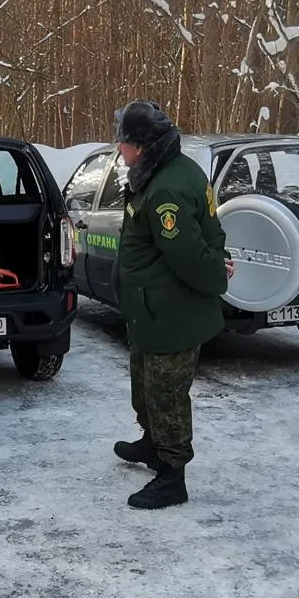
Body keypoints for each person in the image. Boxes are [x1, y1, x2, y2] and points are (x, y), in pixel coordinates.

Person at [108, 101, 232, 510]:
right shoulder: (164, 171)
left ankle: (172, 475)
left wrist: (216, 273)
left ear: (142, 146)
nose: (119, 148)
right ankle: (153, 444)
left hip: (172, 314)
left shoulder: (166, 189)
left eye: (123, 142)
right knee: (145, 387)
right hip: (151, 310)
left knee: (166, 395)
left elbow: (190, 254)